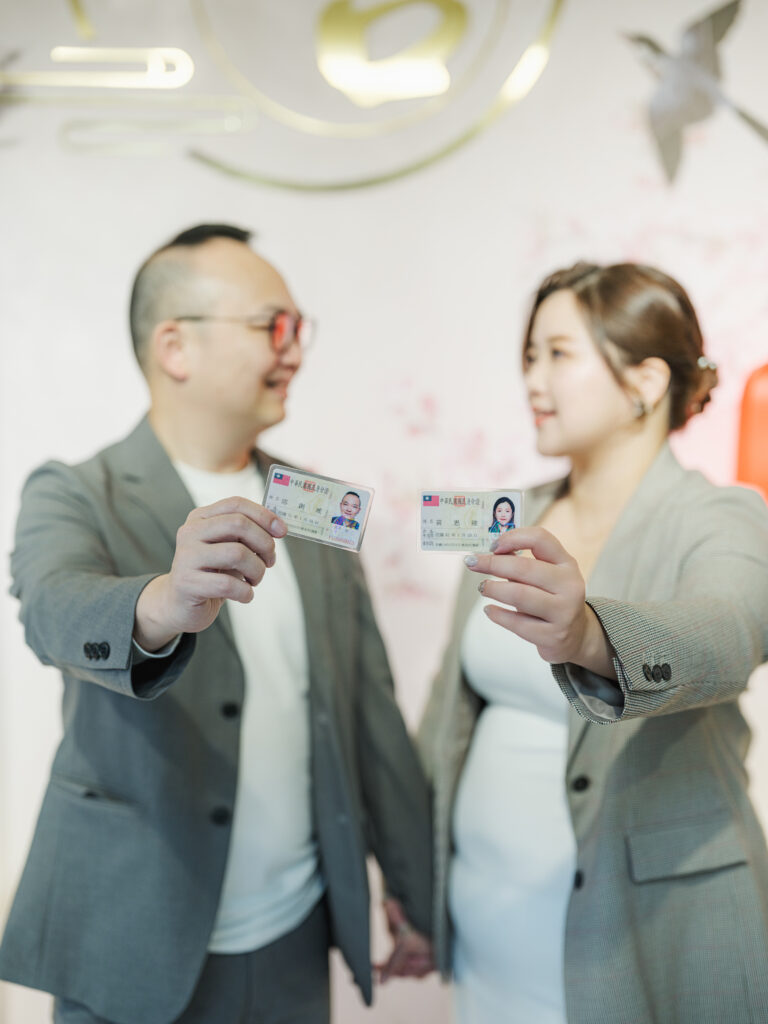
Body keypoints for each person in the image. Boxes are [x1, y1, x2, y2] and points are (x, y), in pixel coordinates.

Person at [0, 224, 432, 1024]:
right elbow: (53, 608)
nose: (293, 351)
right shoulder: (75, 491)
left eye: (298, 328)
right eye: (273, 325)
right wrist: (164, 603)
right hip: (130, 943)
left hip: (295, 940)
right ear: (176, 347)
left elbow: (369, 713)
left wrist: (415, 890)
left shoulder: (320, 505)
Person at [417, 262, 768, 1023]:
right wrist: (415, 881)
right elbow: (449, 709)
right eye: (529, 356)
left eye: (558, 354)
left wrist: (590, 635)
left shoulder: (723, 517)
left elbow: (730, 631)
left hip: (641, 938)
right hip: (485, 937)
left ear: (645, 381)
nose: (532, 380)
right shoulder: (507, 517)